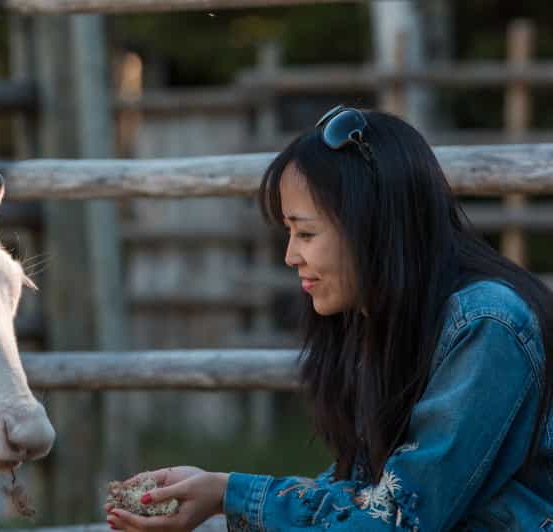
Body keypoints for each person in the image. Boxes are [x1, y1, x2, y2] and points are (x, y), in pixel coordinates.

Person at [105, 106, 553, 531]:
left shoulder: (488, 325)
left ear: (372, 225)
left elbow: (397, 515)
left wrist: (231, 492)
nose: (290, 255)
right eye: (289, 233)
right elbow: (359, 494)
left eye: (306, 232)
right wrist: (216, 489)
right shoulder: (384, 323)